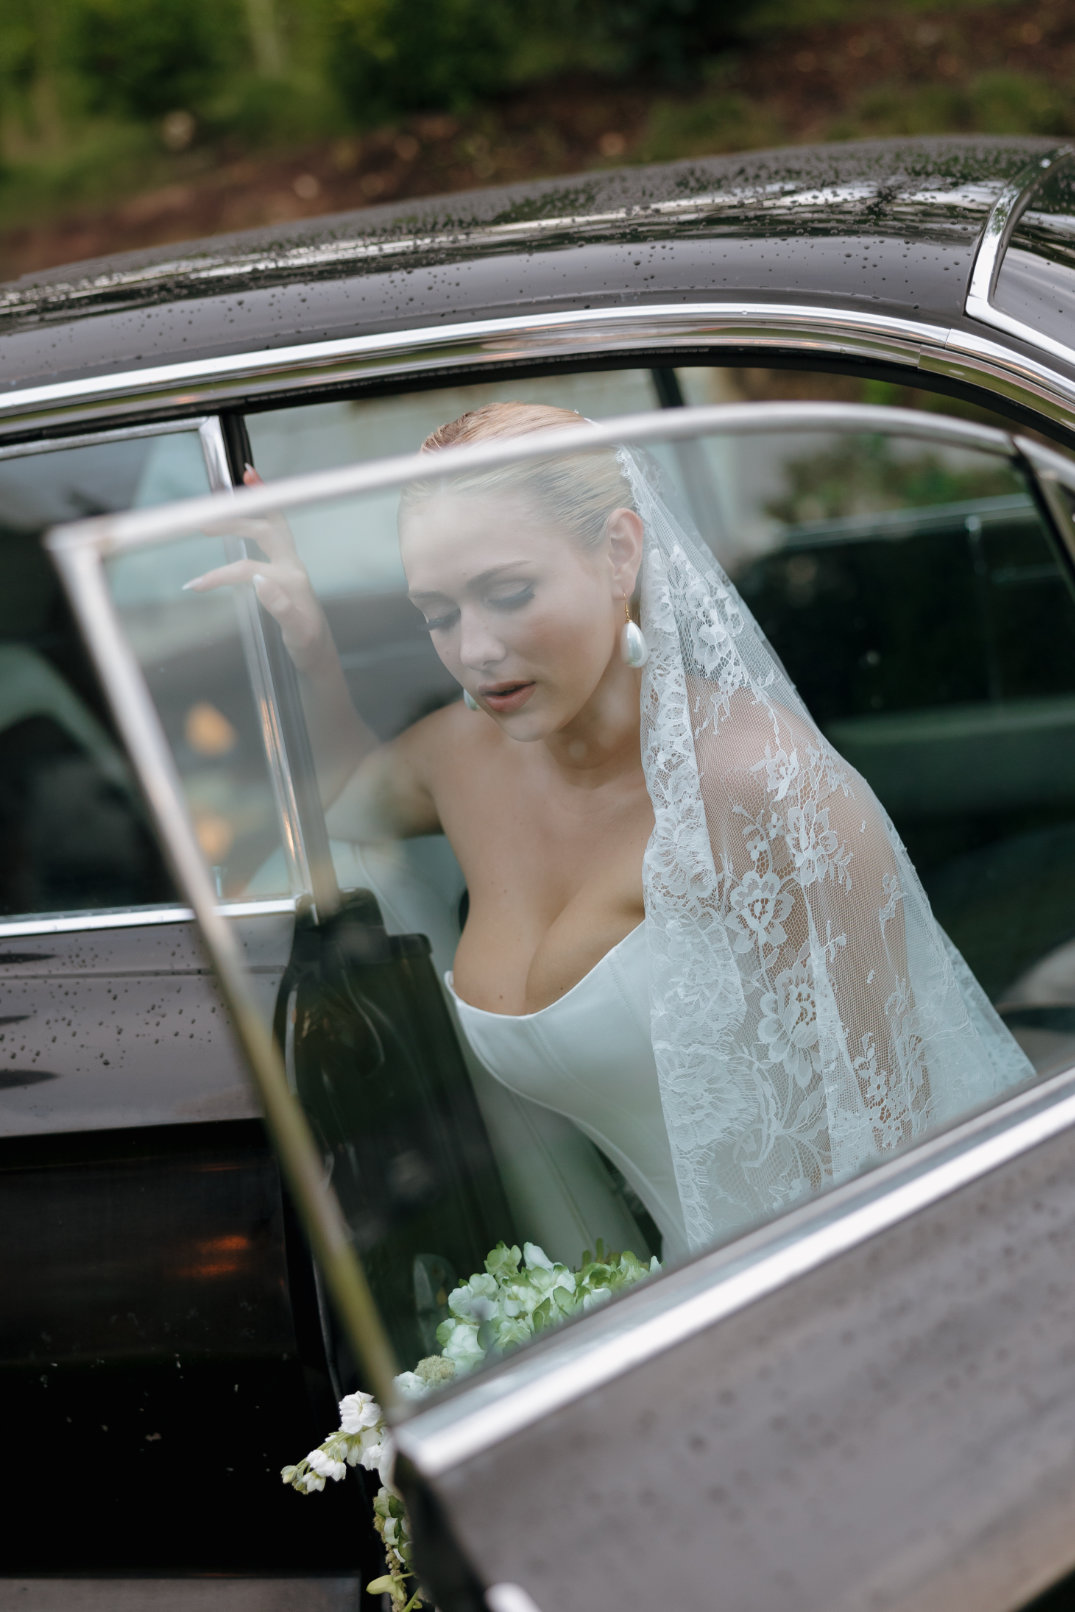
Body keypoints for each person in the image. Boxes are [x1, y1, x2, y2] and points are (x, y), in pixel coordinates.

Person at [186, 401, 1034, 1260]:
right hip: (646, 1303)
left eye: (508, 593)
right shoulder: (460, 758)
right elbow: (344, 803)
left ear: (619, 553)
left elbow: (901, 1153)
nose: (474, 649)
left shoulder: (767, 792)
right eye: (438, 615)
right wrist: (308, 645)